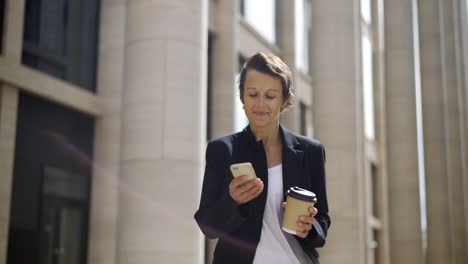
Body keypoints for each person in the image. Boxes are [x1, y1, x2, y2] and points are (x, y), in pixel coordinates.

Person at [194, 52, 330, 264]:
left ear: (284, 100)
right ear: (242, 97)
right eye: (252, 94)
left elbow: (322, 222)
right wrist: (232, 201)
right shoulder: (222, 150)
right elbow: (207, 226)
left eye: (270, 96)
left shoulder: (311, 152)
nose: (260, 104)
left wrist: (309, 227)